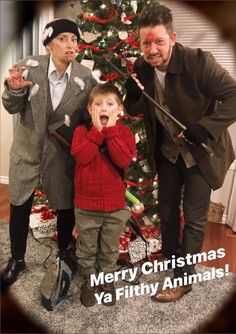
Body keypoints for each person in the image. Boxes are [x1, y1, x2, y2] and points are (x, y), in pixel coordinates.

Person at [124, 3, 236, 302]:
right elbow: (135, 108)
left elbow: (234, 95)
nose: (152, 49)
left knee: (195, 217)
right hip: (168, 154)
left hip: (201, 153)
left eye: (159, 41)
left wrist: (206, 126)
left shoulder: (200, 62)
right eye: (146, 42)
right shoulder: (141, 68)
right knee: (168, 213)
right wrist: (131, 95)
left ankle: (185, 279)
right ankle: (174, 260)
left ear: (172, 38)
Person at [1, 18, 97, 286]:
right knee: (19, 205)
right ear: (48, 44)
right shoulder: (28, 68)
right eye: (64, 38)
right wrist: (14, 89)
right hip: (26, 152)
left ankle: (64, 256)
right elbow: (11, 106)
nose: (71, 44)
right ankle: (17, 259)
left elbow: (88, 119)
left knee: (65, 208)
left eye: (75, 39)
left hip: (61, 157)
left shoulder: (85, 78)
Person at [71, 83, 136, 307]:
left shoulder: (125, 133)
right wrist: (97, 131)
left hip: (115, 206)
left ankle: (106, 278)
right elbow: (82, 157)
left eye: (109, 104)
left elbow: (123, 160)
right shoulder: (81, 132)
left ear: (119, 110)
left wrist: (110, 133)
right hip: (86, 204)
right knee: (86, 245)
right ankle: (89, 278)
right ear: (90, 109)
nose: (103, 108)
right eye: (98, 104)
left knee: (110, 246)